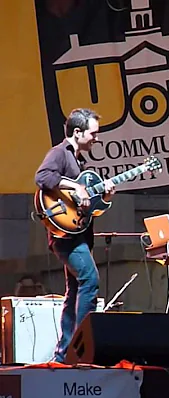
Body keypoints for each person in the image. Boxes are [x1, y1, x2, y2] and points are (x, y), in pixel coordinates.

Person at [35, 108, 116, 363]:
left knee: (74, 292)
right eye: (93, 134)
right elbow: (43, 177)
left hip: (78, 235)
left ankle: (64, 353)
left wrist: (104, 197)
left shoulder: (81, 162)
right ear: (77, 132)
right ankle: (83, 347)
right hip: (65, 238)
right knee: (90, 280)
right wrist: (75, 186)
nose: (96, 139)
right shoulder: (59, 153)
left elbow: (87, 209)